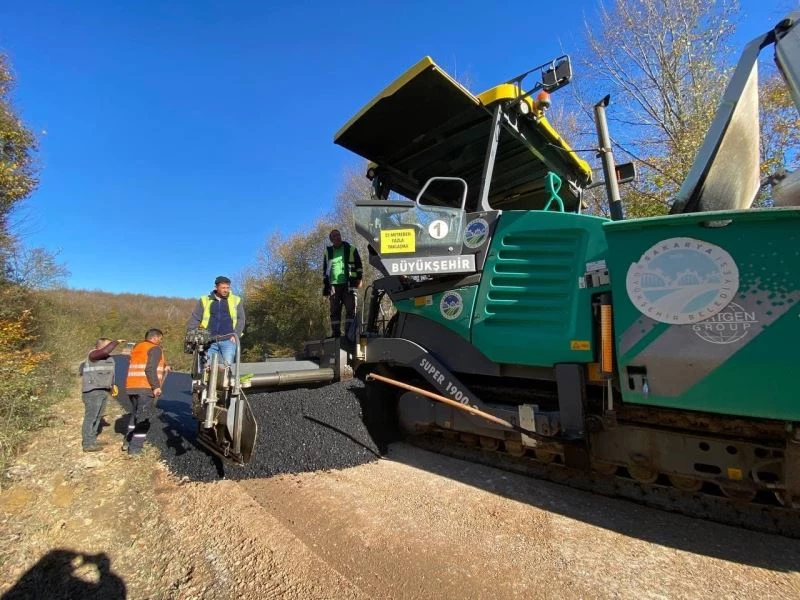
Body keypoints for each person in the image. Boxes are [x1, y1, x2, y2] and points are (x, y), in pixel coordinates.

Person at [122, 328, 167, 455]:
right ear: (155, 338)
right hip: (145, 388)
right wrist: (156, 386)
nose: (160, 341)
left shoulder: (138, 348)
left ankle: (127, 442)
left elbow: (142, 363)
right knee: (144, 419)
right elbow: (150, 368)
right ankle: (135, 449)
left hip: (132, 387)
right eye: (160, 338)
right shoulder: (155, 348)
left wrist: (165, 366)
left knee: (136, 415)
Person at [186, 275, 245, 366]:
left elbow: (241, 319)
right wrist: (191, 335)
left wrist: (236, 334)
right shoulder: (204, 300)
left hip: (229, 340)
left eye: (228, 287)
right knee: (206, 368)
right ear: (216, 287)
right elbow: (195, 318)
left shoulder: (236, 300)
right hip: (208, 341)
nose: (226, 290)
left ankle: (224, 379)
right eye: (223, 288)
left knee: (226, 368)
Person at [79, 337, 123, 452]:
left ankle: (92, 439)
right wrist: (116, 342)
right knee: (91, 417)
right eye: (107, 345)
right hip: (92, 391)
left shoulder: (107, 358)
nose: (110, 348)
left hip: (103, 390)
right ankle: (87, 444)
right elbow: (104, 351)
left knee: (98, 417)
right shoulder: (93, 355)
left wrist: (112, 385)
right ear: (100, 346)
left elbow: (109, 373)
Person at [322, 229, 363, 338]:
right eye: (335, 236)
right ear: (331, 239)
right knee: (334, 311)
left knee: (350, 310)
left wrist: (359, 278)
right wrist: (326, 285)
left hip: (348, 284)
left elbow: (359, 265)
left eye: (339, 235)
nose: (338, 237)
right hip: (333, 286)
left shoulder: (351, 248)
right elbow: (325, 269)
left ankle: (349, 334)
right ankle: (336, 334)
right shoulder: (328, 252)